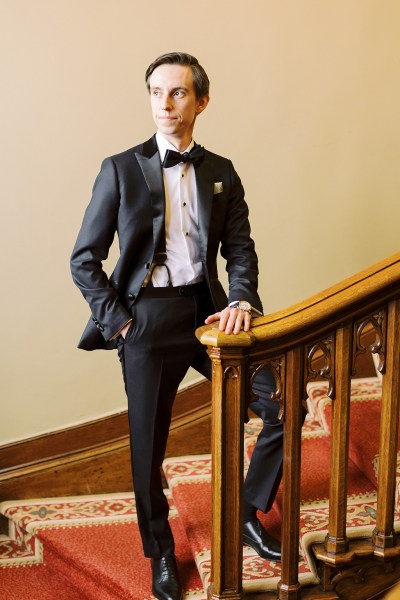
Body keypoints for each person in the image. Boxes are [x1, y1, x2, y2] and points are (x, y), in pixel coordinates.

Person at [71, 52, 283, 600]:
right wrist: (119, 323)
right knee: (148, 448)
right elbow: (84, 259)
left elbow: (240, 250)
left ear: (202, 101)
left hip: (207, 311)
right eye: (155, 92)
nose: (164, 104)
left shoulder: (222, 171)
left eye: (178, 93)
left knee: (280, 406)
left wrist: (241, 298)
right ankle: (160, 552)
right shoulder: (120, 168)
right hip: (145, 320)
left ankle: (246, 513)